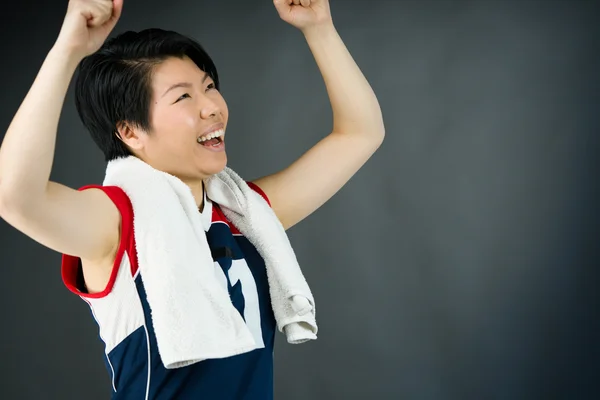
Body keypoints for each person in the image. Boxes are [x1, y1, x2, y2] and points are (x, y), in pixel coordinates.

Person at [0, 0, 384, 398]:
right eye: (183, 97)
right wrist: (68, 50)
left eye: (209, 86)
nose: (211, 107)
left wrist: (318, 27)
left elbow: (360, 133)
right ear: (130, 131)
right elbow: (15, 196)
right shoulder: (116, 221)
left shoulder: (246, 213)